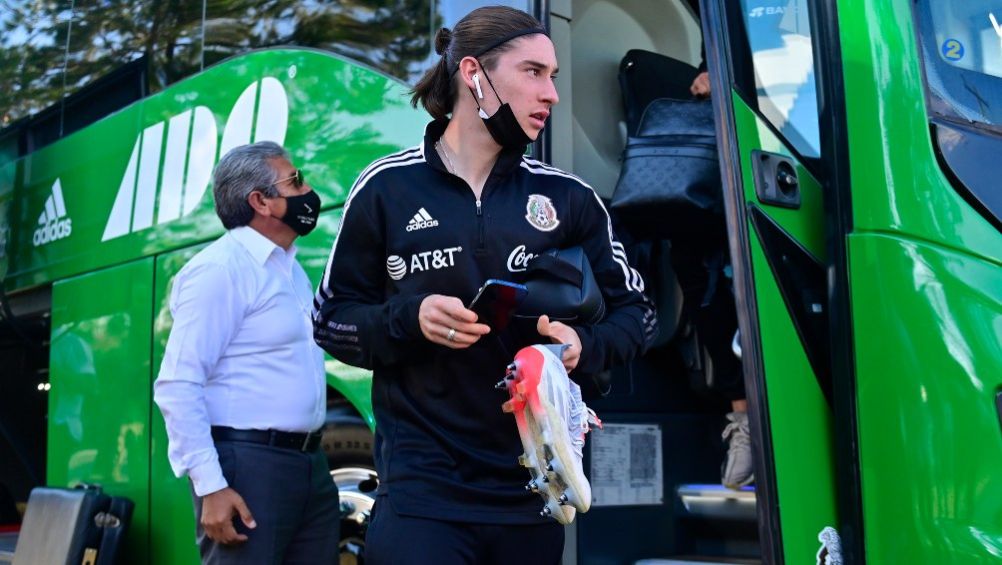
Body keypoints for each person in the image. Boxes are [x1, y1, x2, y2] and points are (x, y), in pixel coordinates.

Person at [312, 6, 656, 564]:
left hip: (532, 498)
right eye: (533, 73)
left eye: (554, 76)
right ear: (474, 74)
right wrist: (410, 318)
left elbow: (638, 315)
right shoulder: (385, 188)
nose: (552, 95)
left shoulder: (571, 199)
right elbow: (330, 321)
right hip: (421, 498)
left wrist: (582, 347)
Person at [154, 142, 339, 564]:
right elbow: (178, 385)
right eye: (294, 181)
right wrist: (212, 487)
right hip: (248, 468)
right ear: (260, 202)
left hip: (309, 465)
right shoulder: (219, 270)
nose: (308, 189)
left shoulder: (289, 268)